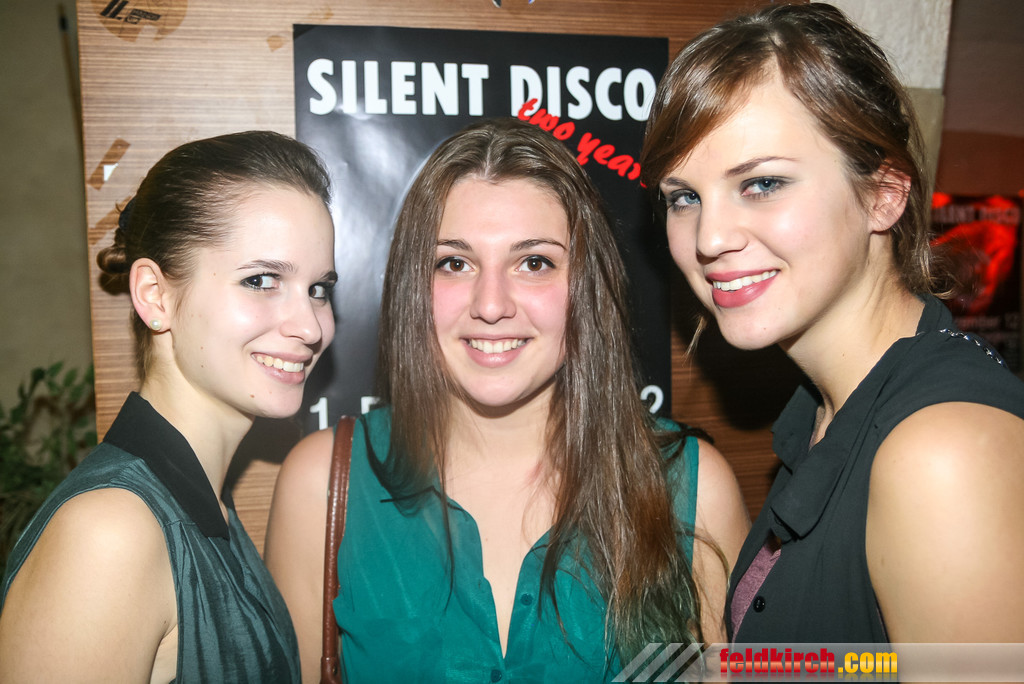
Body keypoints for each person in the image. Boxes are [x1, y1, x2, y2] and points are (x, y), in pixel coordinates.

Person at [265, 117, 750, 681]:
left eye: (534, 263)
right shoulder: (321, 486)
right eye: (454, 263)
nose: (491, 305)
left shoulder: (694, 490)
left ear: (585, 286)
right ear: (412, 286)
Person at [640, 2, 1024, 644]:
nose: (709, 238)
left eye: (762, 184)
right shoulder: (827, 414)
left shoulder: (941, 454)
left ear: (883, 194)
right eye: (685, 197)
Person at [0, 130, 338, 681]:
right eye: (261, 280)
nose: (310, 326)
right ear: (155, 296)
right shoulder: (110, 535)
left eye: (319, 289)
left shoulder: (202, 503)